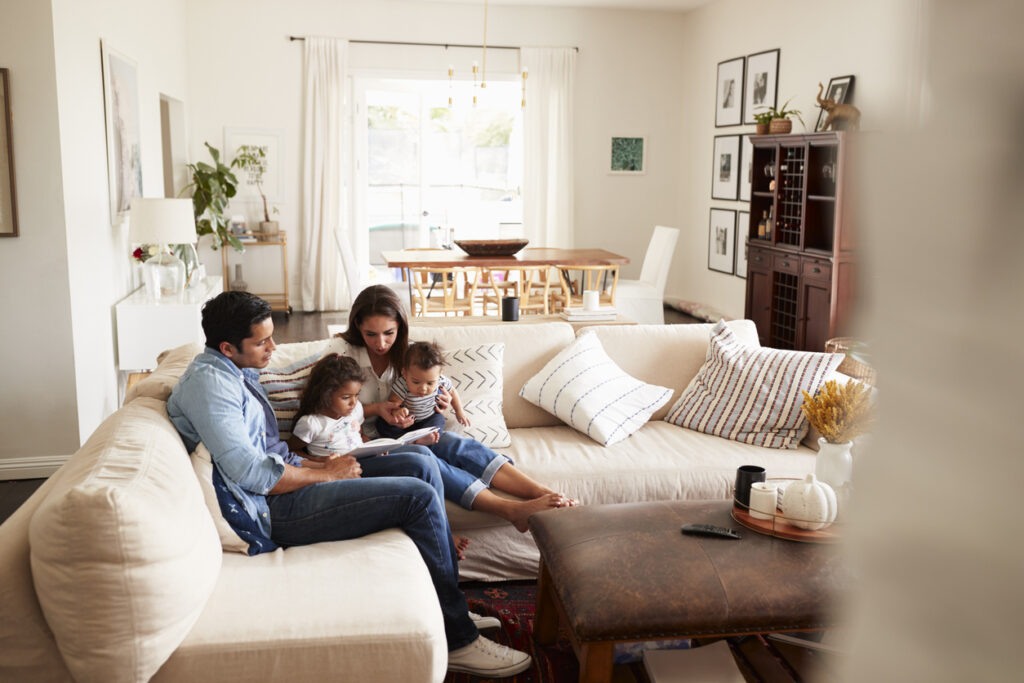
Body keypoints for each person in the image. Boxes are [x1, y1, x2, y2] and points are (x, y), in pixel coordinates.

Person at [166, 291, 531, 677]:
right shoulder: (212, 387)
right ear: (227, 346)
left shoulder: (233, 369)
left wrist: (322, 461)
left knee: (420, 460)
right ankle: (459, 638)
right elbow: (253, 474)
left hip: (293, 475)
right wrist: (327, 473)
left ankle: (447, 605)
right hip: (271, 510)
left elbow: (269, 454)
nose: (274, 346)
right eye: (262, 341)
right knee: (420, 498)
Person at [338, 285, 577, 532]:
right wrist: (377, 409)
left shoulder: (409, 354)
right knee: (427, 459)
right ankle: (510, 510)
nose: (381, 343)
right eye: (371, 334)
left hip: (409, 434)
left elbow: (435, 388)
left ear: (400, 325)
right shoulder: (343, 355)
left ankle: (544, 492)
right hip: (366, 445)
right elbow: (328, 410)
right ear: (357, 325)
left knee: (454, 443)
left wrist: (439, 405)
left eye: (389, 332)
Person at [378, 341, 468, 440]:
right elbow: (392, 404)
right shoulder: (402, 385)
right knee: (382, 424)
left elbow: (453, 392)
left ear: (439, 374)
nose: (423, 389)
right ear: (404, 373)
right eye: (416, 382)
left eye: (430, 383)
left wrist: (459, 411)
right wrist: (397, 412)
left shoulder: (441, 381)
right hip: (406, 423)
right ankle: (409, 440)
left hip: (428, 419)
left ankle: (425, 438)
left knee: (438, 420)